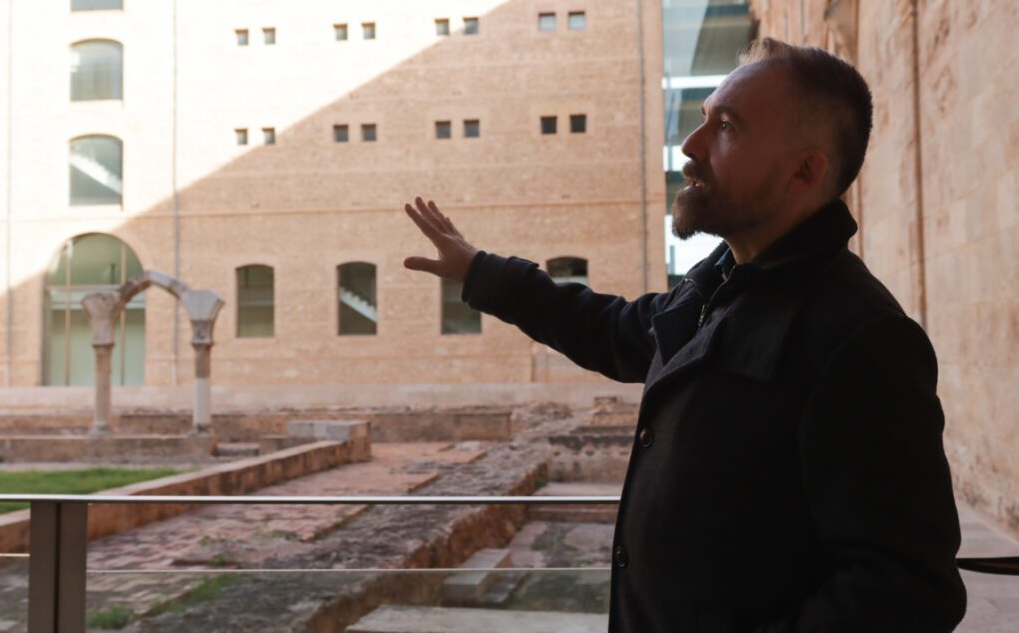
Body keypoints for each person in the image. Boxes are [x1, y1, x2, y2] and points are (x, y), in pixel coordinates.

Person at [403, 37, 966, 632]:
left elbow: (905, 588)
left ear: (804, 170)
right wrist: (482, 273)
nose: (690, 147)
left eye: (726, 128)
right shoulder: (719, 280)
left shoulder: (864, 339)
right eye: (704, 119)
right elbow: (612, 329)